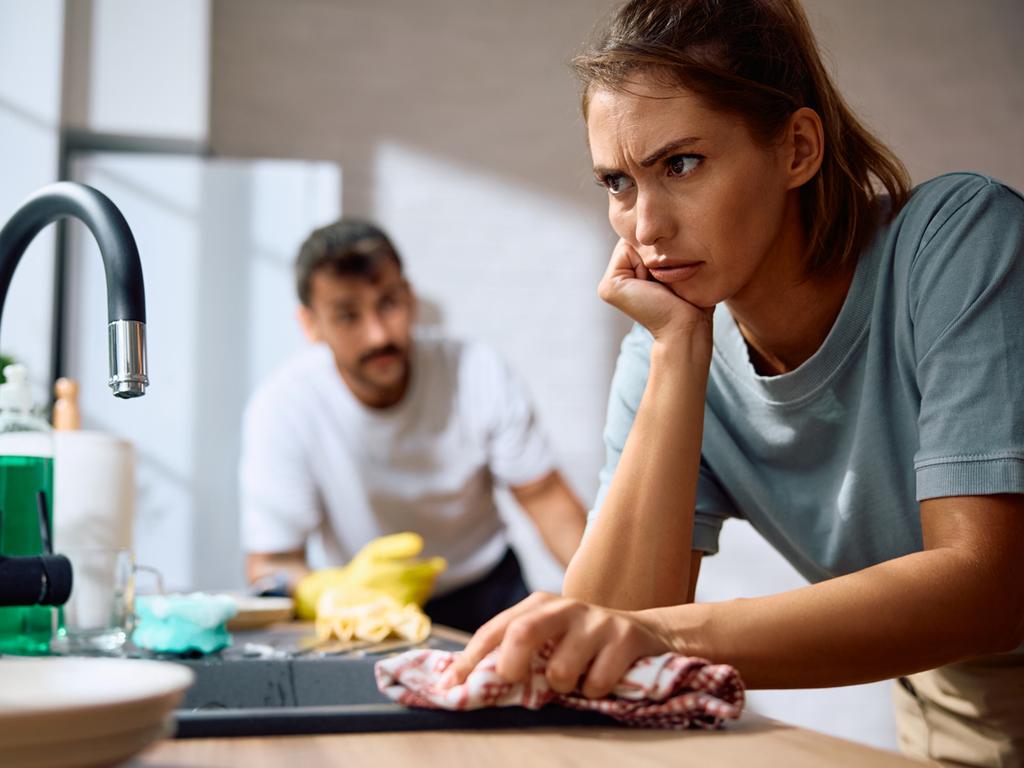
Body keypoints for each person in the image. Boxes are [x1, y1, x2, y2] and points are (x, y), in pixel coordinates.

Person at [441, 1, 1024, 764]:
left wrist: (665, 635)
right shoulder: (669, 345)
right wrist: (680, 352)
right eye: (618, 183)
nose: (645, 228)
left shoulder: (960, 240)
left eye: (680, 165)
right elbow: (607, 638)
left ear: (798, 149)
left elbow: (990, 587)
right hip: (951, 700)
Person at [239, 219, 587, 632]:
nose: (378, 335)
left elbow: (548, 501)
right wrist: (328, 594)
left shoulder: (477, 372)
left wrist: (615, 608)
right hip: (368, 611)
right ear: (310, 324)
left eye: (388, 303)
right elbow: (273, 563)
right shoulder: (284, 407)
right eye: (348, 315)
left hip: (489, 593)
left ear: (410, 297)